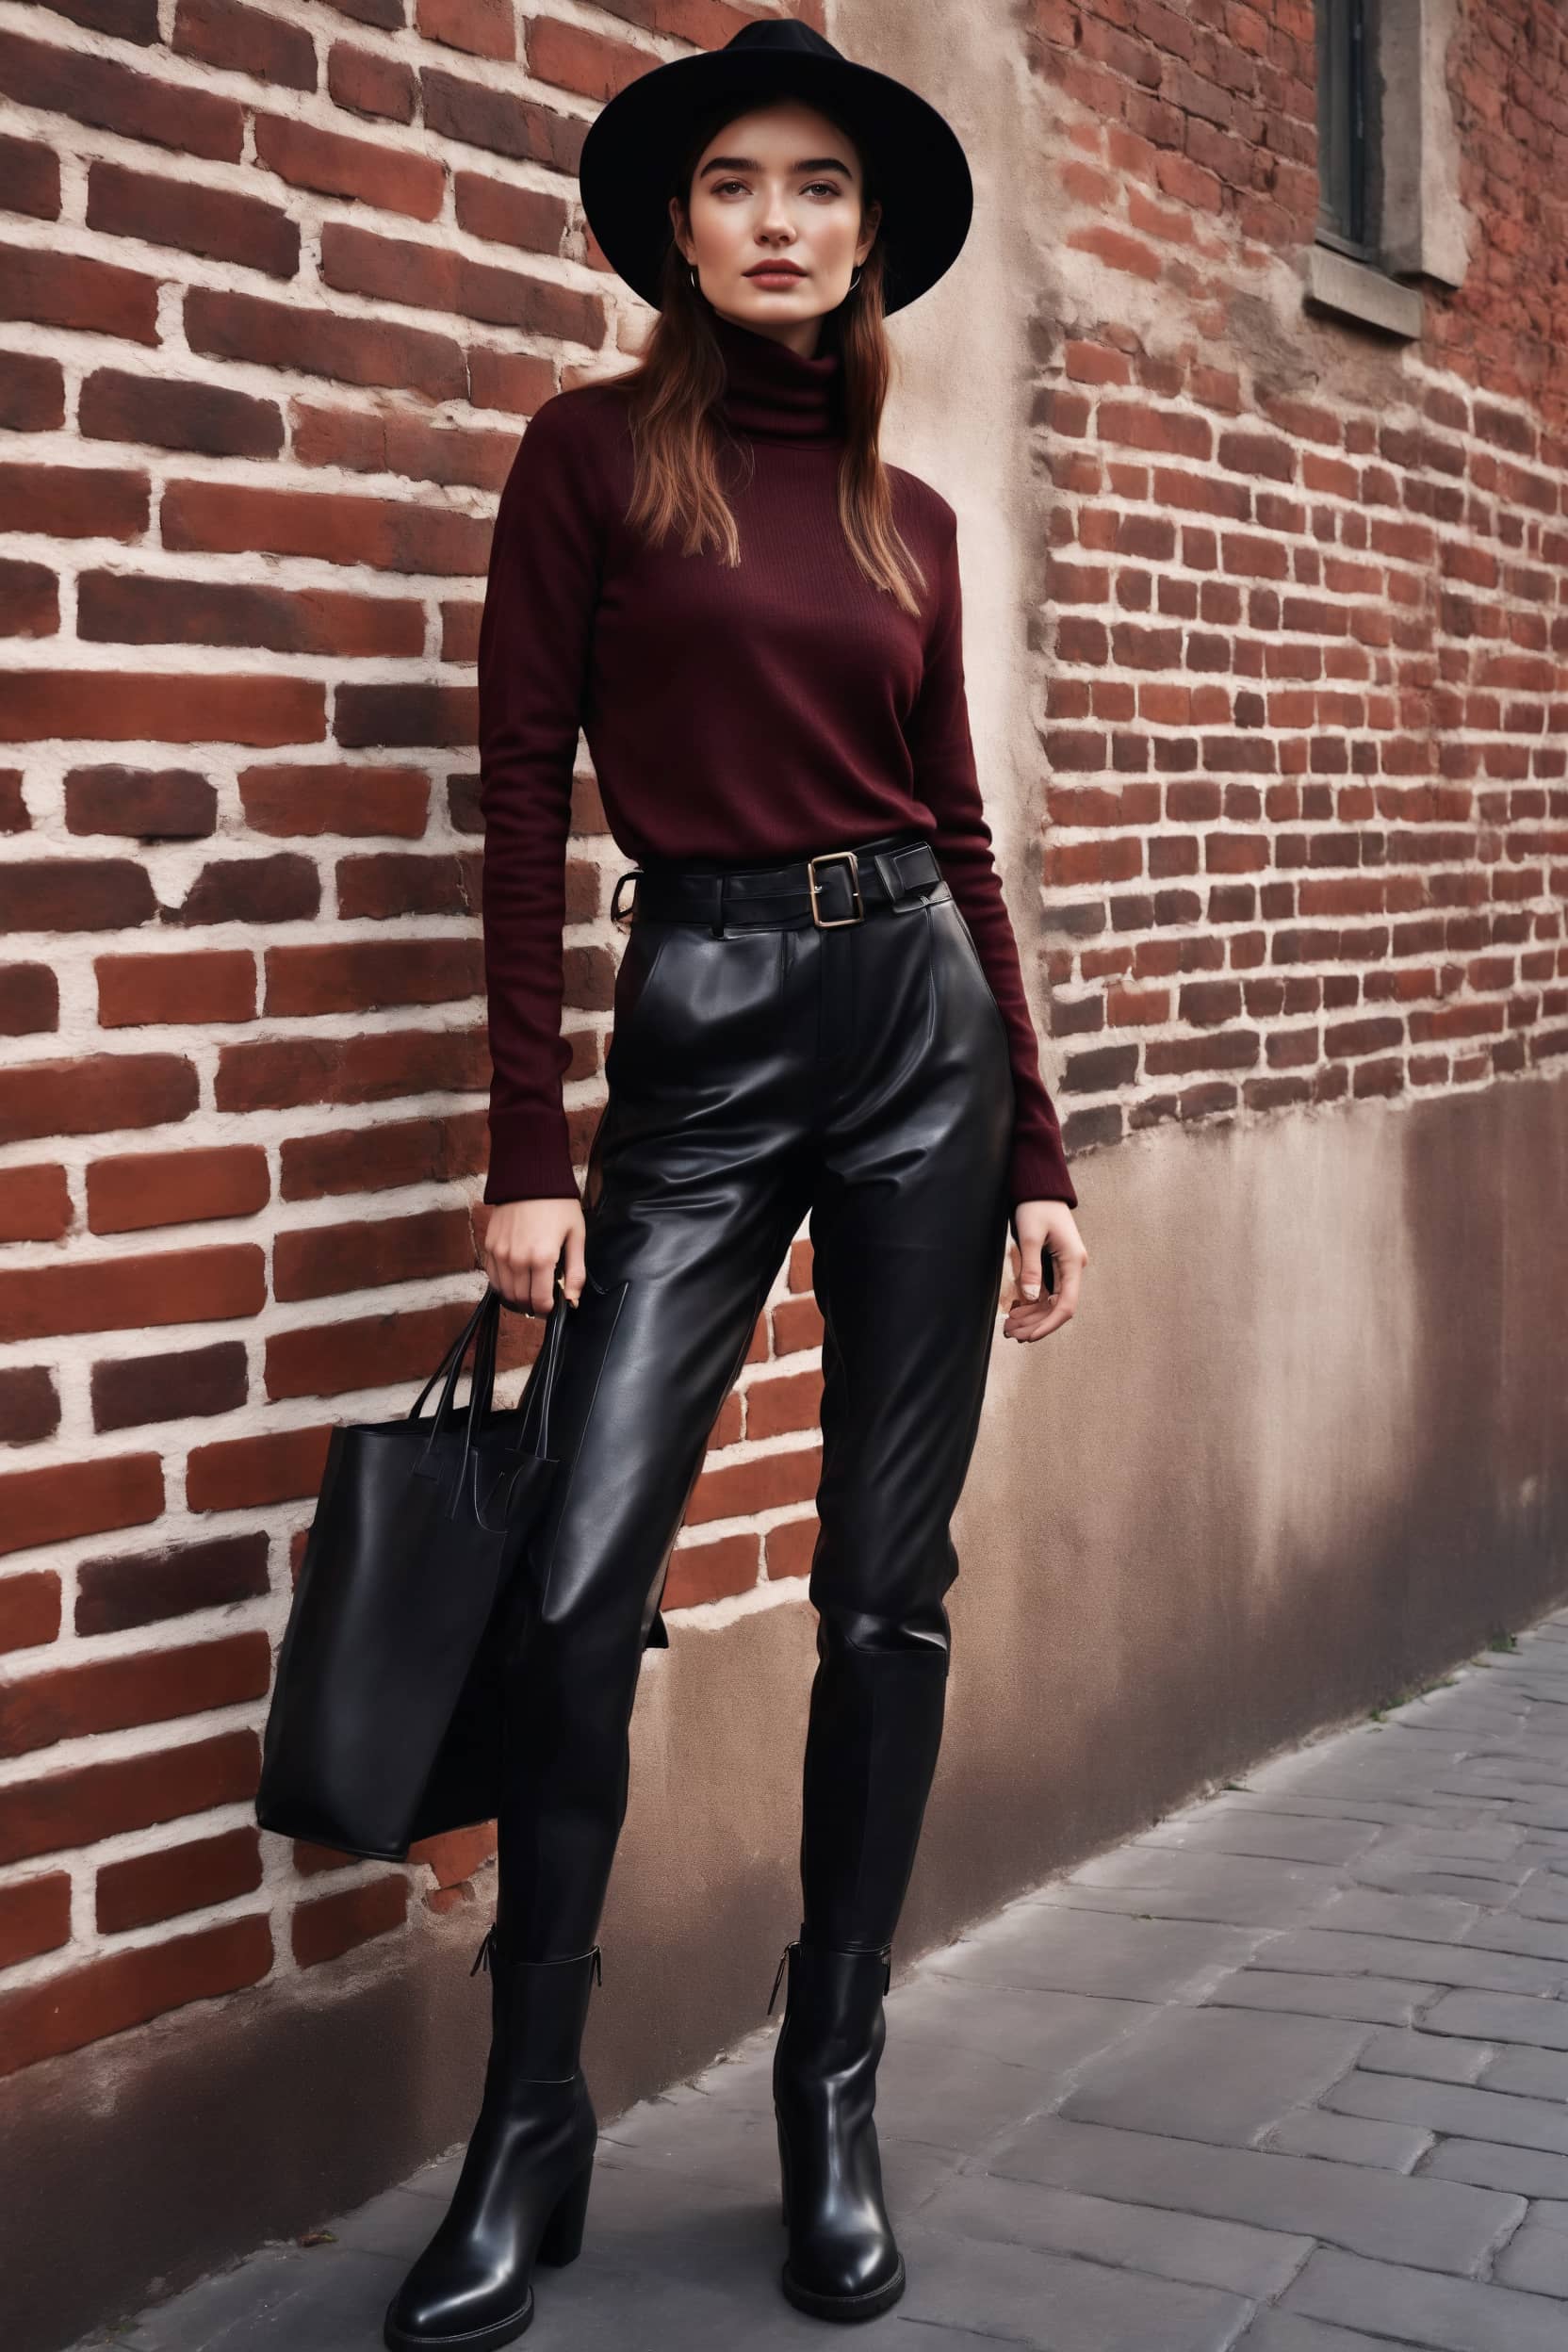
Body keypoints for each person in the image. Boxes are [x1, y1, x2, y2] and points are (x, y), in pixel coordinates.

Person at [384, 21, 1088, 2349]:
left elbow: (962, 828)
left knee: (884, 1596)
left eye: (819, 187)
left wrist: (1037, 1145)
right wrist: (522, 1155)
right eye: (732, 185)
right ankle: (529, 2122)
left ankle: (831, 2089)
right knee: (578, 1589)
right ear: (675, 230)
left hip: (917, 1035)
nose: (777, 220)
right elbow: (513, 800)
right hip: (691, 1039)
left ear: (870, 233)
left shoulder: (913, 515)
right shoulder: (593, 459)